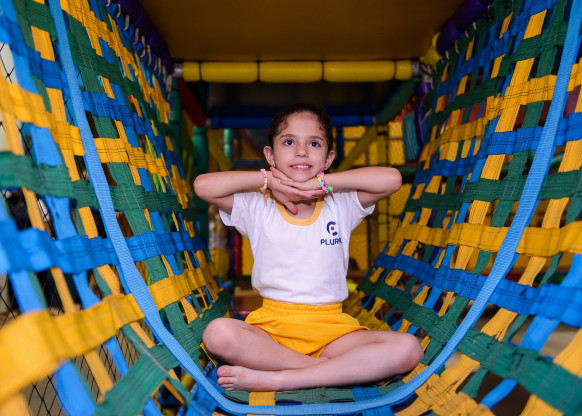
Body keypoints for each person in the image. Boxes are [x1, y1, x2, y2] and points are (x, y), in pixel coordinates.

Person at [194, 104, 423, 392]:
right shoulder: (258, 207)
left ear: (328, 158)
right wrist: (268, 180)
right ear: (270, 155)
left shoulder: (340, 205)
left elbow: (392, 179)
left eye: (314, 144)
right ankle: (330, 370)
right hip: (271, 332)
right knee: (218, 334)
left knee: (408, 349)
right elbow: (203, 186)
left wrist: (326, 183)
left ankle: (281, 379)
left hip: (334, 333)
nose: (301, 152)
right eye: (289, 142)